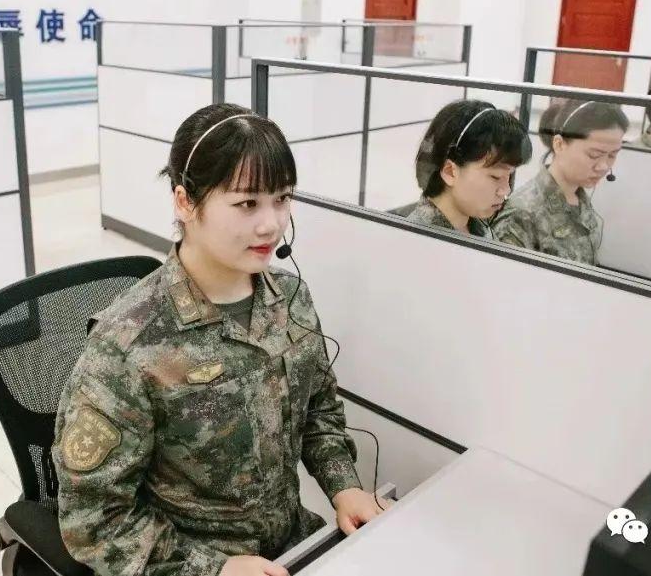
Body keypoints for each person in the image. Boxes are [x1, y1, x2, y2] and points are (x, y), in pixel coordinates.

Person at [52, 103, 382, 576]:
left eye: (282, 198)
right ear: (186, 203)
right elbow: (93, 520)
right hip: (187, 564)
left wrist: (343, 485)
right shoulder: (128, 344)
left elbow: (319, 411)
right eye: (247, 203)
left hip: (292, 546)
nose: (271, 224)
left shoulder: (290, 298)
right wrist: (213, 569)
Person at [492, 99, 628, 265]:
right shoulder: (523, 213)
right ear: (559, 144)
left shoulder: (580, 198)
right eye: (594, 155)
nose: (604, 166)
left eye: (612, 155)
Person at [407, 100, 532, 237]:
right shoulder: (417, 240)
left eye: (509, 176)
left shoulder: (476, 223)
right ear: (450, 172)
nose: (505, 190)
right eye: (496, 176)